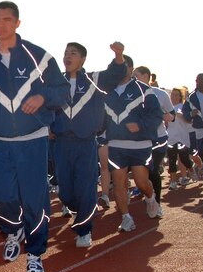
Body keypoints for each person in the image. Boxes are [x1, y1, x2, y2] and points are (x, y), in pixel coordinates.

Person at [0, 1, 68, 272]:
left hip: (33, 139)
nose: (1, 25)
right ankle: (13, 230)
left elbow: (62, 92)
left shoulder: (38, 56)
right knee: (2, 198)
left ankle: (36, 252)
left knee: (33, 199)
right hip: (2, 142)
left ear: (17, 22)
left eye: (7, 19)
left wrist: (43, 96)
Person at [51, 42, 126, 248]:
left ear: (82, 59)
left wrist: (119, 56)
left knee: (85, 187)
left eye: (73, 53)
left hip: (85, 143)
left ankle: (84, 230)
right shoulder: (56, 81)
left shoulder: (93, 80)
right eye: (65, 53)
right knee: (65, 192)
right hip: (61, 143)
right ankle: (84, 209)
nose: (67, 56)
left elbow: (114, 74)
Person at [103, 47, 162, 231]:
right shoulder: (106, 91)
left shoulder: (144, 90)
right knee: (118, 182)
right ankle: (126, 217)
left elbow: (156, 115)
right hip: (116, 144)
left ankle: (151, 199)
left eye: (121, 65)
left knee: (141, 182)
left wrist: (141, 126)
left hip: (140, 144)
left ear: (129, 68)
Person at [133, 66, 174, 213]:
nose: (133, 78)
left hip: (158, 138)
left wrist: (166, 116)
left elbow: (172, 114)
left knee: (153, 170)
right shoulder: (130, 94)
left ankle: (157, 203)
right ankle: (149, 196)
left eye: (136, 75)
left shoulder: (161, 94)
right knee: (142, 173)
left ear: (146, 76)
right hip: (139, 140)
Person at [166, 87, 195, 189]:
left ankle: (191, 170)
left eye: (176, 95)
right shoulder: (167, 107)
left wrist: (179, 115)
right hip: (171, 137)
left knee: (184, 158)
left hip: (182, 137)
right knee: (172, 160)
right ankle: (173, 182)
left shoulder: (183, 107)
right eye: (172, 94)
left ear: (180, 97)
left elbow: (189, 120)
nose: (173, 97)